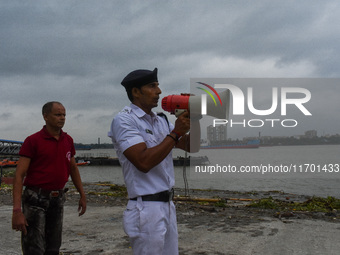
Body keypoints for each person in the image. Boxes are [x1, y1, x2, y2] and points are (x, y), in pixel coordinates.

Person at [108, 68, 200, 255]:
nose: (159, 91)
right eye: (152, 86)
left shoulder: (160, 121)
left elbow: (192, 146)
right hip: (145, 209)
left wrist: (194, 118)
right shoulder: (124, 120)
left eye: (158, 85)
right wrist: (175, 133)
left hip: (167, 205)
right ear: (135, 92)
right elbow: (143, 162)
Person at [12, 101, 87, 255]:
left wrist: (82, 194)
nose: (62, 118)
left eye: (64, 115)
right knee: (34, 248)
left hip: (57, 199)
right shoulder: (33, 141)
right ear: (45, 116)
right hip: (35, 200)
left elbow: (73, 168)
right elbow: (19, 175)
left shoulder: (68, 140)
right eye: (58, 114)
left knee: (53, 248)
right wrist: (17, 211)